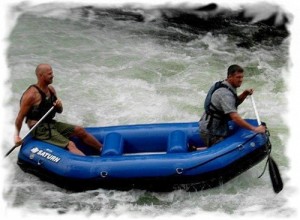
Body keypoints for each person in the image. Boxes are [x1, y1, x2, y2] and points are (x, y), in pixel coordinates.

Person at [14, 63, 103, 156]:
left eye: (52, 73)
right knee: (70, 144)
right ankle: (88, 165)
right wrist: (16, 136)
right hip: (39, 129)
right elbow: (19, 118)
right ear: (41, 75)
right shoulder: (31, 95)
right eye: (49, 74)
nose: (52, 76)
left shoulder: (51, 90)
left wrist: (59, 106)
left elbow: (60, 111)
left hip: (50, 123)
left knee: (80, 130)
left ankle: (102, 149)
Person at [198, 64, 266, 148]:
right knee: (221, 153)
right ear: (230, 77)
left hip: (215, 126)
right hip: (211, 131)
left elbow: (233, 103)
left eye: (242, 77)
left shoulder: (226, 85)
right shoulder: (225, 94)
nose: (241, 80)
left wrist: (244, 94)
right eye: (238, 77)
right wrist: (255, 129)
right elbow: (235, 117)